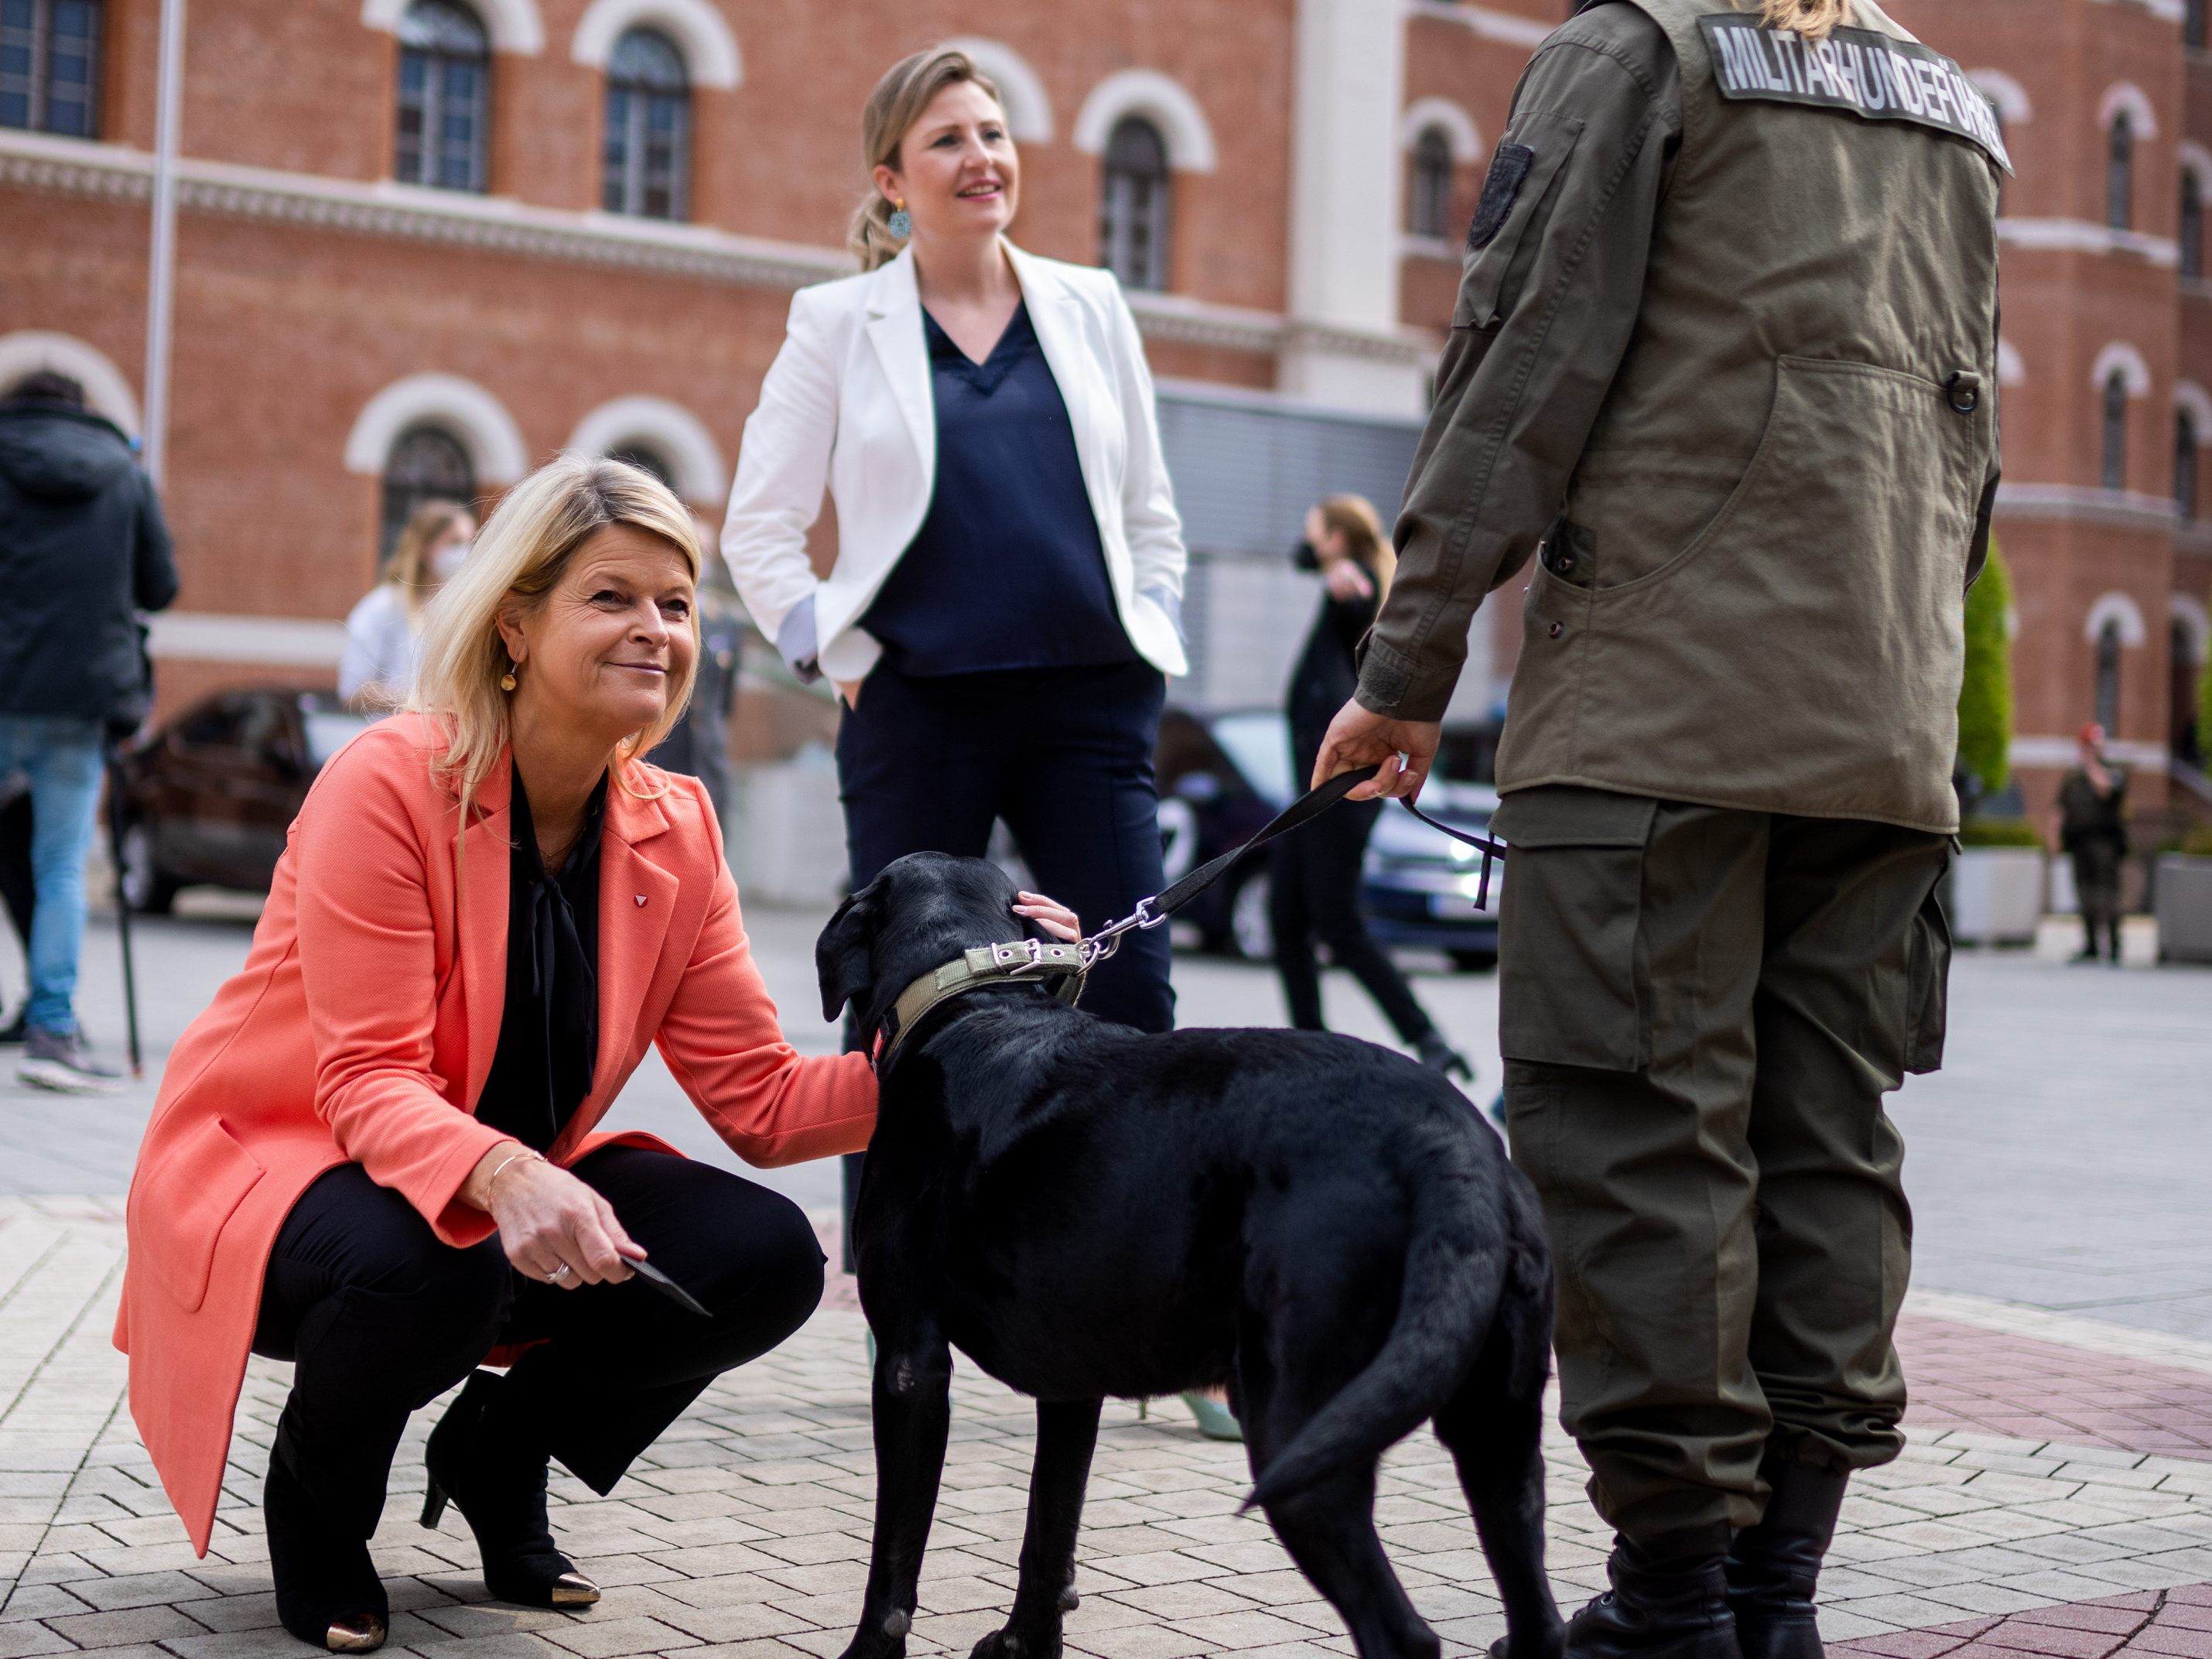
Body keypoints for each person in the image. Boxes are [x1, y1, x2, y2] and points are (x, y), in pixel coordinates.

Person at [115, 452, 1080, 1654]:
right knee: (440, 1265)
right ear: (513, 626)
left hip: (490, 1191)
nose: (654, 630)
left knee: (765, 1257)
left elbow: (765, 1100)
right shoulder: (390, 782)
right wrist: (509, 1175)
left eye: (675, 605)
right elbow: (365, 1081)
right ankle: (316, 1504)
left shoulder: (677, 827)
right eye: (611, 597)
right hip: (279, 1173)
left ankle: (500, 1448)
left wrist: (992, 1020)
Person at [1309, 1, 2004, 1655]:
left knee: (1637, 1142)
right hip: (1882, 720)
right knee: (1826, 1147)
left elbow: (1520, 360)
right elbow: (1967, 435)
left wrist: (1403, 667)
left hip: (1656, 713)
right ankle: (1776, 1599)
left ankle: (1674, 1602)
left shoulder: (1638, 51)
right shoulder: (1943, 100)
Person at [723, 46, 1188, 1042]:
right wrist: (837, 654)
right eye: (946, 140)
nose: (981, 156)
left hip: (1092, 706)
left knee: (1131, 998)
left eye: (993, 133)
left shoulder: (1093, 305)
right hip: (916, 711)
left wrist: (1155, 618)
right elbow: (759, 523)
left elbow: (1150, 507)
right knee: (908, 1015)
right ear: (892, 181)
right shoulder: (836, 323)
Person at [0, 369, 178, 1090]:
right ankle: (52, 1031)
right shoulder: (123, 475)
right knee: (61, 866)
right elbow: (160, 587)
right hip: (78, 696)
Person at [1272, 496, 1469, 1079]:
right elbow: (1312, 568)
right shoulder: (1341, 578)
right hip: (1309, 795)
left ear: (1336, 539)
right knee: (1286, 919)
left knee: (1337, 923)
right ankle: (1308, 1048)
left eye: (1315, 534)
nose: (1308, 544)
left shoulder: (1352, 587)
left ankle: (1427, 1038)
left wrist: (1346, 581)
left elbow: (1353, 598)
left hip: (1336, 795)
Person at [643, 533, 740, 824]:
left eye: (704, 550)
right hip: (658, 756)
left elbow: (724, 699)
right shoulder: (652, 616)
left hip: (707, 762)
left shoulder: (724, 621)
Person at [338, 499, 475, 706]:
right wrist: (420, 702)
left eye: (470, 542)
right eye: (455, 542)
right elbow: (352, 691)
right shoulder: (382, 606)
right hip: (395, 725)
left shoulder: (459, 610)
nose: (464, 552)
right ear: (426, 548)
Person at [2056, 722, 2128, 964]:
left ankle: (2114, 945)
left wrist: (2090, 765)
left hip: (2105, 843)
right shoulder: (2073, 778)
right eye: (2086, 746)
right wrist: (2055, 839)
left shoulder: (2113, 771)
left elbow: (2105, 791)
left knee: (2106, 894)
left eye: (2093, 746)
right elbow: (2061, 809)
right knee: (2085, 894)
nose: (2090, 751)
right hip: (2079, 842)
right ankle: (2091, 945)